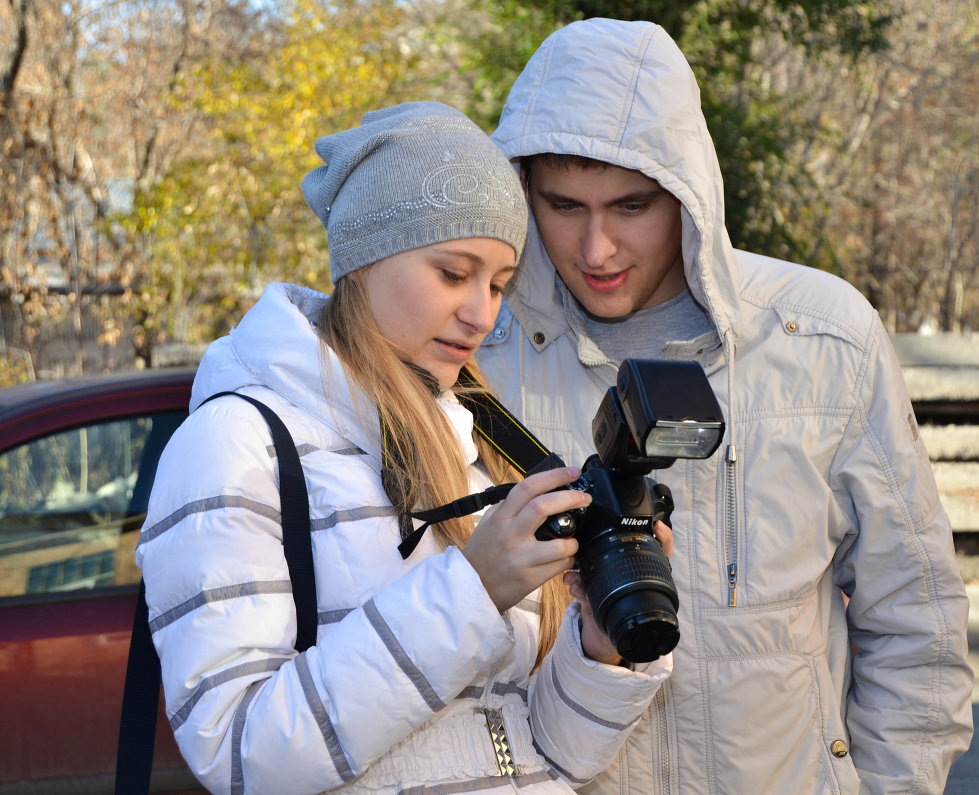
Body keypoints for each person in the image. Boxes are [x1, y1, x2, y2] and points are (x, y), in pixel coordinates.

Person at [475, 18, 974, 794]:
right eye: (565, 205)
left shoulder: (825, 338)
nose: (597, 248)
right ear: (522, 191)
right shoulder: (477, 364)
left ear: (688, 190)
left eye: (632, 206)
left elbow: (917, 619)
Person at [136, 101, 672, 795]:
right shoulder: (235, 442)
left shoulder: (480, 439)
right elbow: (240, 752)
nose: (483, 313)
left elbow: (548, 754)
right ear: (363, 259)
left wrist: (599, 649)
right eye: (454, 273)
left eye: (499, 284)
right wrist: (470, 594)